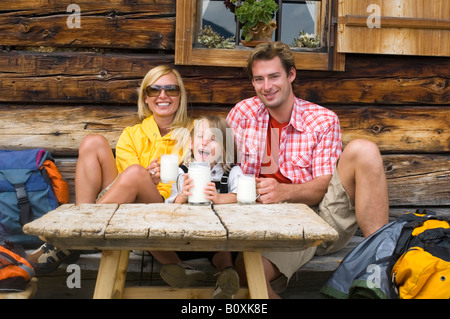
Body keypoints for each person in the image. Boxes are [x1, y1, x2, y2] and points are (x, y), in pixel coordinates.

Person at [226, 41, 389, 298]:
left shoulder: (322, 120)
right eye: (259, 79)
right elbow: (220, 164)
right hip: (261, 221)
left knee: (364, 149)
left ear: (291, 75)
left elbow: (324, 185)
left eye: (274, 76)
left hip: (317, 217)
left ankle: (380, 260)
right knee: (244, 274)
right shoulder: (242, 114)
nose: (266, 86)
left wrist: (284, 192)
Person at [28, 65, 191, 274]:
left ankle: (75, 235)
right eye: (154, 90)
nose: (163, 95)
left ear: (180, 96)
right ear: (145, 98)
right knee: (93, 142)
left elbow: (198, 174)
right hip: (124, 210)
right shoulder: (132, 134)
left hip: (167, 210)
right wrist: (146, 178)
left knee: (135, 173)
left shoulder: (193, 133)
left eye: (171, 89)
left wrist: (154, 181)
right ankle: (84, 230)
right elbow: (125, 184)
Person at [153, 115, 243, 299]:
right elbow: (171, 207)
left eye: (213, 139)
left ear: (224, 147)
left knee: (224, 254)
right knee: (154, 238)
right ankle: (182, 270)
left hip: (219, 239)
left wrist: (220, 198)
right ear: (192, 144)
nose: (205, 143)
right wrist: (183, 195)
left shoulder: (231, 172)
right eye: (201, 137)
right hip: (185, 238)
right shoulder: (182, 172)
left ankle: (226, 282)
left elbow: (241, 196)